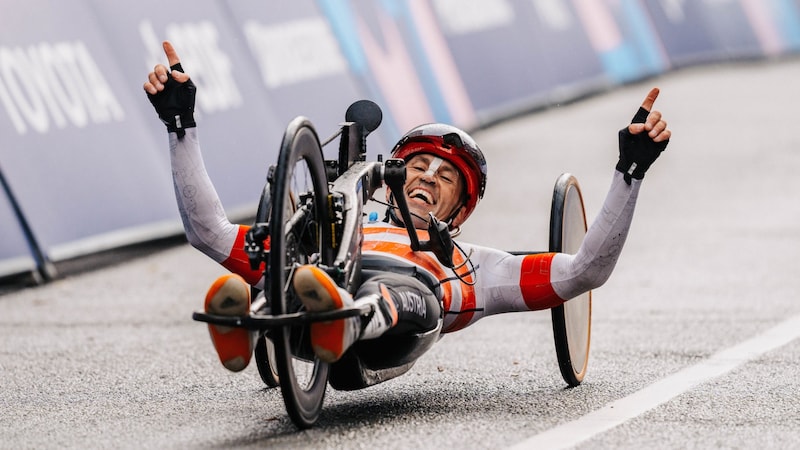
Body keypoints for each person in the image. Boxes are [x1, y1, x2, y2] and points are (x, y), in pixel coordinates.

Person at [144, 41, 670, 372]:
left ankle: (345, 316)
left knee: (405, 289)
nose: (427, 178)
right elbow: (208, 232)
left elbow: (584, 272)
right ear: (392, 176)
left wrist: (631, 170)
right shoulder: (342, 217)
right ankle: (246, 321)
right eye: (418, 166)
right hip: (316, 295)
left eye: (445, 178)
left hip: (393, 330)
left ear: (460, 212)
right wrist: (179, 126)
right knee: (290, 260)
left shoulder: (481, 266)